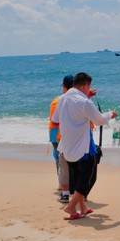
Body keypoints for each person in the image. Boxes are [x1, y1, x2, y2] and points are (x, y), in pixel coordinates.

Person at [52, 72, 118, 220]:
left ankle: (83, 207)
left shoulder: (62, 99)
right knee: (86, 179)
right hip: (83, 148)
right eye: (89, 86)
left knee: (77, 178)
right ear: (85, 85)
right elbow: (100, 120)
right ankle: (71, 206)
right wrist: (110, 114)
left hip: (67, 147)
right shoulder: (84, 102)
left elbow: (55, 119)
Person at [49, 74, 74, 203]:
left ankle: (62, 184)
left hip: (55, 132)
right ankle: (69, 184)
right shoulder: (77, 100)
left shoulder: (57, 100)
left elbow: (53, 119)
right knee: (67, 159)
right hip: (67, 133)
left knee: (59, 158)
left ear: (64, 87)